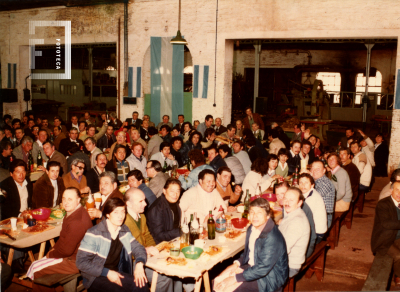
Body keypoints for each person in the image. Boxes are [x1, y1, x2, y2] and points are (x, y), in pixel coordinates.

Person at [214, 198, 287, 292]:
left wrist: (235, 278)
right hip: (253, 268)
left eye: (259, 212)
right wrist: (236, 264)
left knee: (228, 288)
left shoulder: (272, 238)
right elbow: (249, 253)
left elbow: (262, 268)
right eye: (252, 212)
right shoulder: (252, 228)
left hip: (269, 278)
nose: (255, 216)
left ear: (268, 215)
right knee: (217, 281)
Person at [76, 197, 148, 292]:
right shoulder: (94, 233)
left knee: (141, 284)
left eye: (122, 211)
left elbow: (138, 247)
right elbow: (81, 263)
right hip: (95, 276)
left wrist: (139, 264)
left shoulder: (123, 230)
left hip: (116, 271)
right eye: (116, 212)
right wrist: (107, 272)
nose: (120, 216)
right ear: (107, 214)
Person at [28, 187, 93, 292]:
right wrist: (53, 250)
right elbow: (63, 238)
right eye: (64, 199)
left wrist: (51, 254)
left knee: (36, 270)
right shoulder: (74, 212)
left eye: (70, 199)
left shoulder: (77, 221)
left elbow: (67, 251)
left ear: (78, 200)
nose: (66, 202)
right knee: (40, 262)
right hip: (75, 256)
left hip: (77, 261)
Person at [124, 188, 173, 292]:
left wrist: (155, 250)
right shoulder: (123, 220)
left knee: (173, 270)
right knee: (164, 279)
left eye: (144, 200)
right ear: (128, 204)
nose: (145, 204)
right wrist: (146, 250)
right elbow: (125, 250)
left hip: (145, 256)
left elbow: (148, 236)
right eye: (141, 201)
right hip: (132, 261)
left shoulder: (141, 216)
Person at [371, 181, 400, 288]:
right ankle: (398, 276)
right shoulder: (383, 204)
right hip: (384, 241)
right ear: (391, 191)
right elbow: (386, 224)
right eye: (397, 190)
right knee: (398, 256)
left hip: (397, 237)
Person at [279, 187, 310, 277]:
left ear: (299, 203)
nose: (287, 203)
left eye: (291, 200)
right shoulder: (293, 212)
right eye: (285, 199)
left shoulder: (297, 222)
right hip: (285, 260)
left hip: (289, 266)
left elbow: (282, 250)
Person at [147, 178, 182, 244]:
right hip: (159, 245)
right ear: (164, 191)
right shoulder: (157, 208)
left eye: (178, 191)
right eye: (172, 191)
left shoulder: (175, 203)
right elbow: (159, 236)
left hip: (173, 241)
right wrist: (180, 232)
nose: (175, 194)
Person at [298, 173, 327, 242]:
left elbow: (303, 217)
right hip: (315, 229)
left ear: (312, 185)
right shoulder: (308, 193)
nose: (303, 185)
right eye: (301, 183)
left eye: (306, 183)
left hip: (317, 234)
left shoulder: (312, 198)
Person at [310, 160, 336, 228]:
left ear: (324, 170)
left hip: (324, 217)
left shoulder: (326, 183)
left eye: (318, 169)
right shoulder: (315, 180)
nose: (314, 171)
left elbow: (312, 197)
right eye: (312, 168)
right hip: (317, 214)